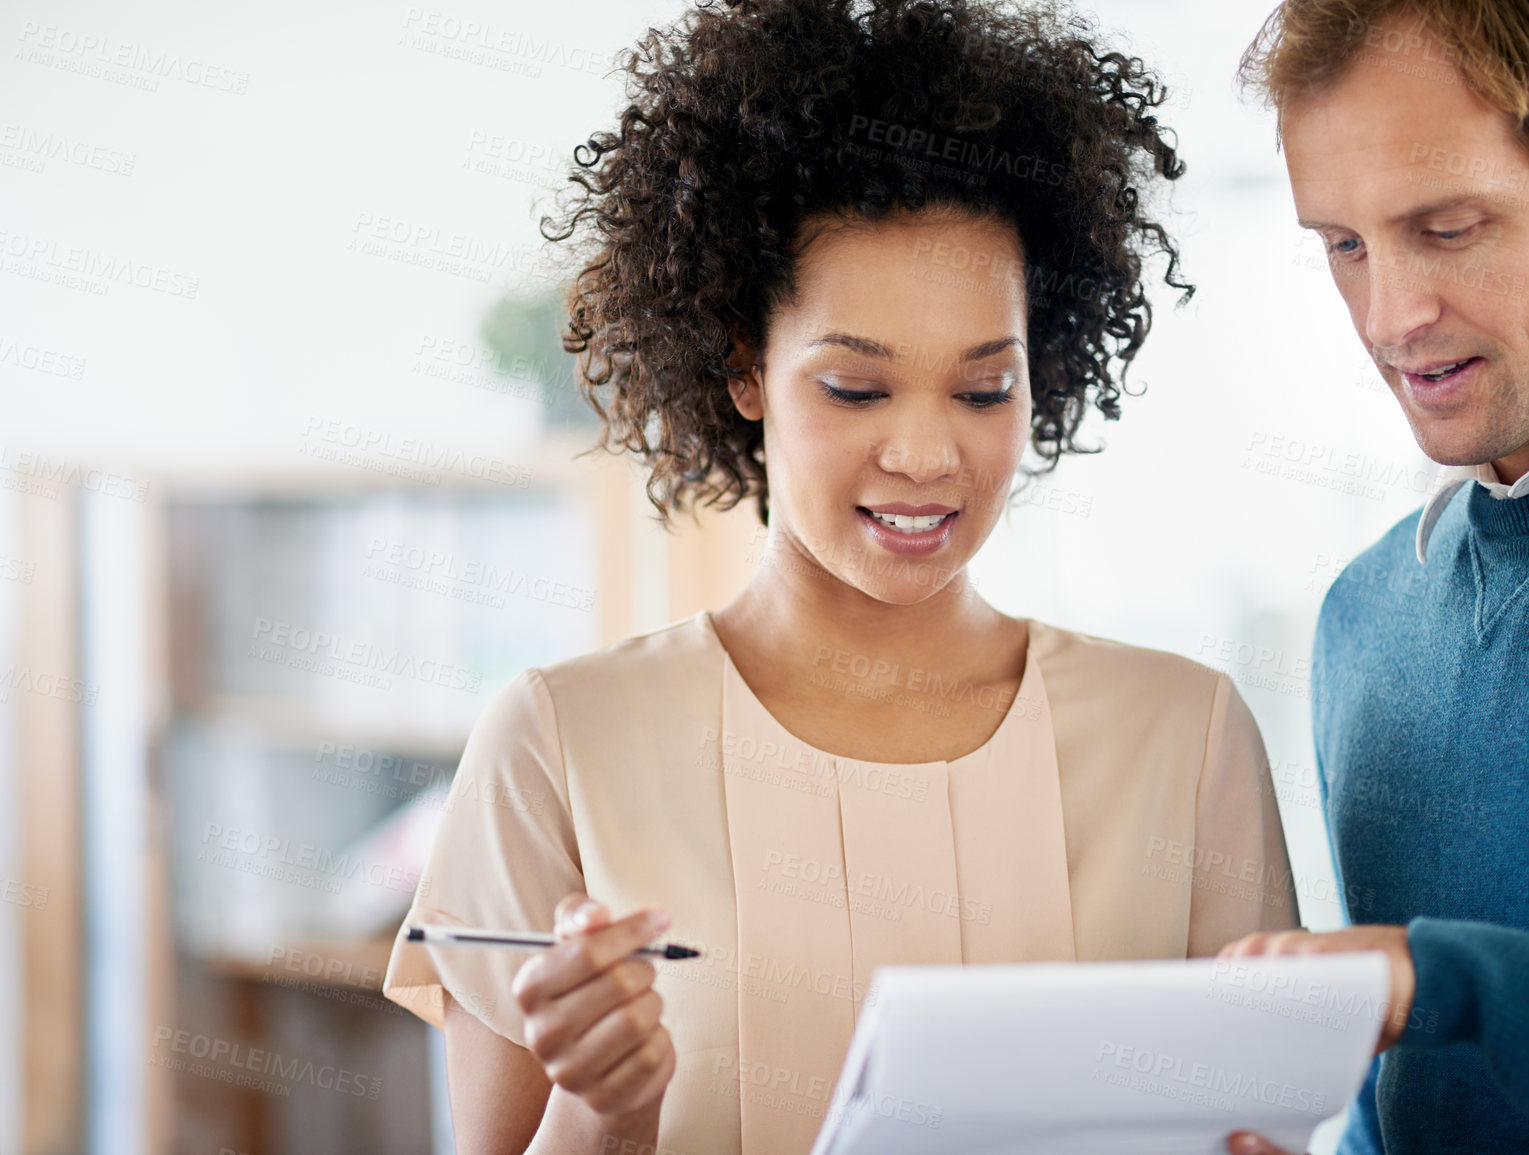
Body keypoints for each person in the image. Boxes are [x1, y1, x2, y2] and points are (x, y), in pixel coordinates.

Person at [381, 3, 1299, 1153]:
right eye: (856, 390)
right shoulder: (559, 744)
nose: (926, 455)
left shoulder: (1188, 737)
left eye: (983, 389)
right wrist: (609, 1107)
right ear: (744, 369)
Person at [1220, 2, 1529, 1154]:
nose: (1391, 317)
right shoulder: (1366, 616)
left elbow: (1437, 991)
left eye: (1446, 229)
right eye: (1343, 245)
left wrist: (1455, 982)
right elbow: (1395, 1100)